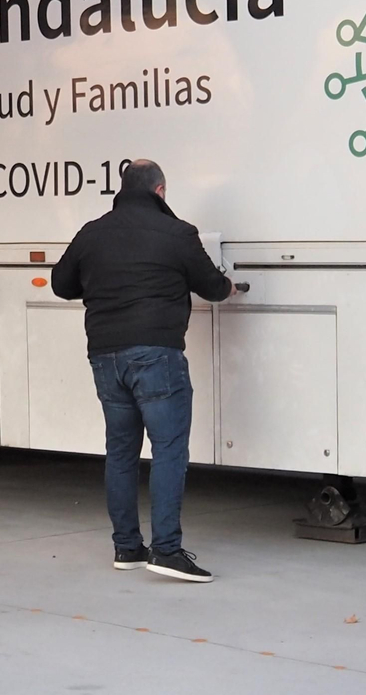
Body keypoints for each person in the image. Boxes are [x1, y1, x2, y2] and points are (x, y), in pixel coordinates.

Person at [50, 159, 235, 582]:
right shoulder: (177, 233)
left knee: (121, 451)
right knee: (168, 450)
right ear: (160, 191)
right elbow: (212, 286)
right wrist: (230, 287)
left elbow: (62, 284)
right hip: (156, 354)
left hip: (105, 357)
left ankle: (127, 547)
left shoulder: (92, 232)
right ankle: (167, 550)